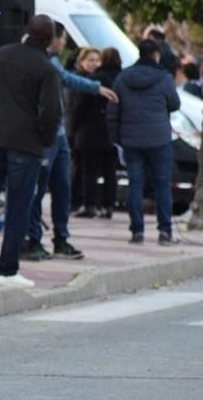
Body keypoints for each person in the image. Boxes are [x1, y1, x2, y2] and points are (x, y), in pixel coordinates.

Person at [0, 14, 62, 289]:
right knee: (18, 206)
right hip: (26, 144)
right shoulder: (46, 69)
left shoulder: (2, 55)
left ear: (27, 31)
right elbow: (51, 112)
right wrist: (44, 139)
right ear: (51, 39)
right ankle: (7, 269)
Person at [22, 24, 117, 262]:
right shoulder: (44, 61)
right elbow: (65, 79)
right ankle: (34, 238)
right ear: (52, 39)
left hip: (59, 133)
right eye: (62, 38)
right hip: (47, 134)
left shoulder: (51, 60)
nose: (64, 43)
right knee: (40, 187)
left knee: (62, 187)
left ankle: (61, 238)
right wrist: (96, 87)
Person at [107, 39, 181, 245]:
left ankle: (137, 231)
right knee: (162, 185)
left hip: (132, 140)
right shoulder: (164, 78)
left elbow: (113, 111)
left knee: (135, 185)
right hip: (159, 139)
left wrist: (116, 138)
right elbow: (175, 104)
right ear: (156, 55)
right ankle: (165, 232)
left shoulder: (123, 78)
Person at [71, 47, 120, 219]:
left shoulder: (93, 81)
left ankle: (89, 204)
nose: (94, 63)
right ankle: (108, 205)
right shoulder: (119, 79)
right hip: (110, 132)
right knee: (109, 171)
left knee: (88, 171)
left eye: (96, 60)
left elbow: (79, 108)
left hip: (89, 132)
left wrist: (73, 127)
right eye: (90, 60)